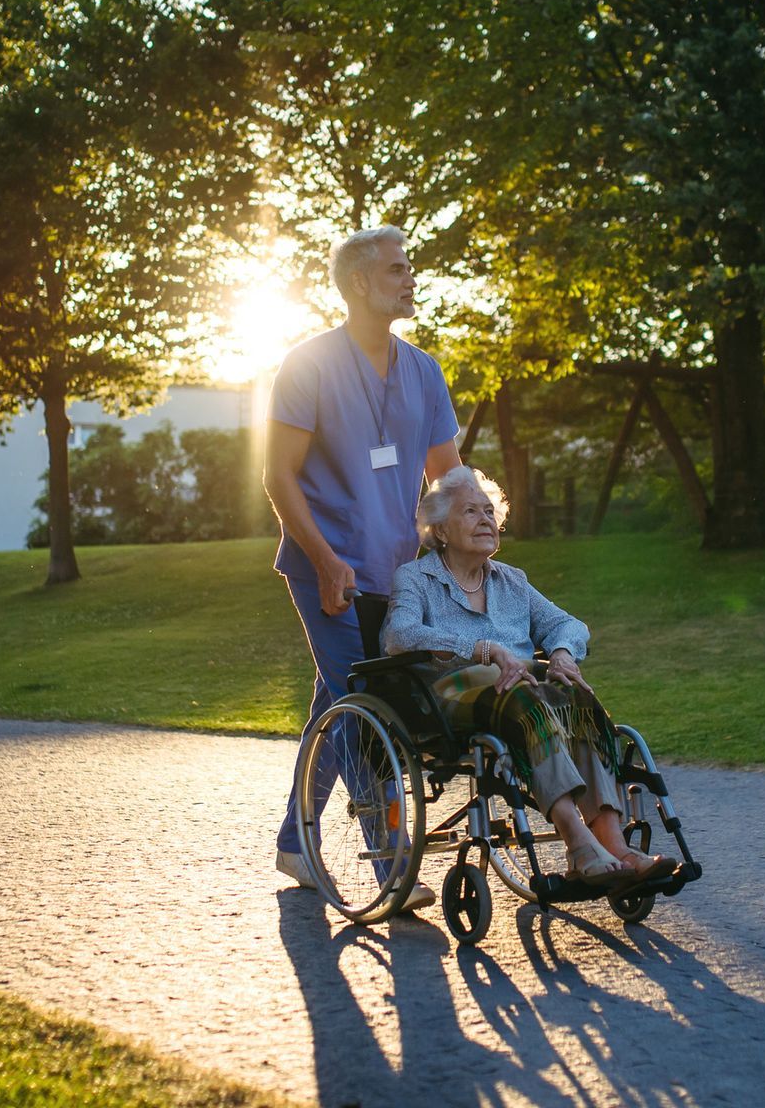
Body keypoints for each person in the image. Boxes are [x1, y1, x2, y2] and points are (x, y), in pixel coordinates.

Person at [268, 226, 461, 908]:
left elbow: (447, 473)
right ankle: (391, 865)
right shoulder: (308, 365)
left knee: (339, 697)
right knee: (362, 703)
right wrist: (323, 559)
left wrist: (471, 534)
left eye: (411, 268)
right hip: (329, 568)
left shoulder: (425, 371)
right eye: (397, 269)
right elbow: (278, 476)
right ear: (359, 284)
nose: (412, 279)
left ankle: (296, 840)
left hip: (397, 571)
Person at [383, 466, 678, 887]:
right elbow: (400, 635)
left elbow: (568, 624)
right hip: (451, 695)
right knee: (525, 699)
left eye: (490, 511)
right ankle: (577, 842)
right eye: (471, 511)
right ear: (442, 530)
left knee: (575, 698)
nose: (486, 519)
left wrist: (560, 654)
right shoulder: (417, 579)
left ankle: (613, 842)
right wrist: (482, 649)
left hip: (523, 692)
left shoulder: (512, 582)